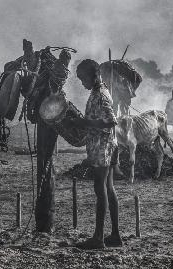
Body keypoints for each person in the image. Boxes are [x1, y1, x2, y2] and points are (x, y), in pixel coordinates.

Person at [71, 59, 122, 249]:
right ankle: (115, 236)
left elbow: (111, 121)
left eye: (83, 79)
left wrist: (85, 123)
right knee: (108, 188)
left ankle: (98, 238)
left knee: (100, 188)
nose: (82, 83)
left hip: (103, 146)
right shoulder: (100, 90)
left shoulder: (99, 94)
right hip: (108, 145)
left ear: (93, 75)